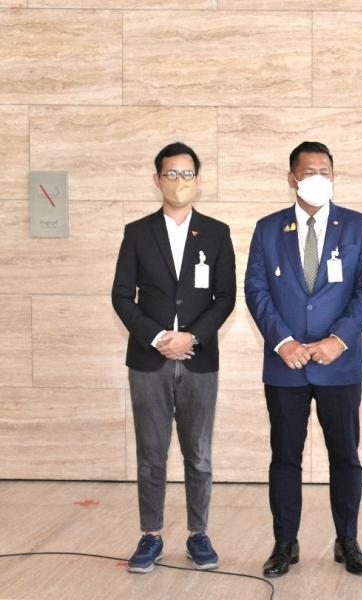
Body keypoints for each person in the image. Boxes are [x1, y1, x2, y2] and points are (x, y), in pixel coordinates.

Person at [244, 141, 362, 578]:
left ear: (333, 176)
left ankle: (348, 541)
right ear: (292, 178)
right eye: (308, 171)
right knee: (285, 458)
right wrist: (283, 341)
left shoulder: (357, 226)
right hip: (285, 366)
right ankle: (285, 543)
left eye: (325, 171)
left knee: (345, 456)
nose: (317, 178)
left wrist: (339, 339)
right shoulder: (268, 229)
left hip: (339, 365)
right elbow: (255, 289)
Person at [112, 141, 236, 573]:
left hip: (199, 359)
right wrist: (159, 336)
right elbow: (122, 296)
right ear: (157, 179)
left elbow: (225, 297)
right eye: (171, 174)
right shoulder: (137, 232)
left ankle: (198, 533)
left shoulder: (216, 232)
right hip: (149, 360)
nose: (178, 182)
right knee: (151, 453)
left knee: (198, 453)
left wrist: (192, 337)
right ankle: (150, 535)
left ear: (197, 181)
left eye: (186, 174)